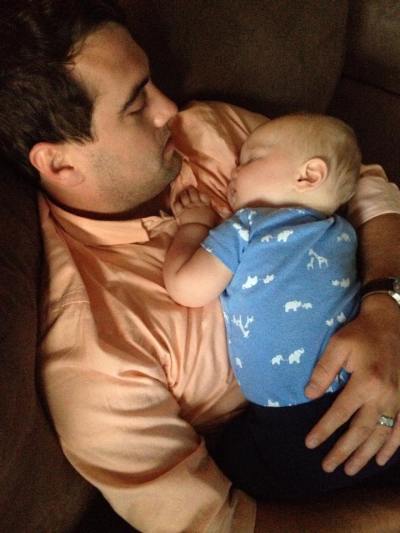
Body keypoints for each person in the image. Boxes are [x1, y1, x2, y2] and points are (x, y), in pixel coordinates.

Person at [1, 1, 400, 531]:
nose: (171, 109)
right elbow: (221, 522)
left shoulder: (207, 130)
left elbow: (358, 182)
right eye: (136, 103)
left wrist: (386, 304)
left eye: (152, 81)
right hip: (308, 452)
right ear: (59, 162)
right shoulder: (96, 346)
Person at [164, 113, 400, 499]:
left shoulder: (247, 226)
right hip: (364, 388)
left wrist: (193, 227)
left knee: (243, 466)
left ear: (309, 175)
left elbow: (187, 288)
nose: (233, 172)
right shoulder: (344, 230)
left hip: (291, 420)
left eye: (249, 160)